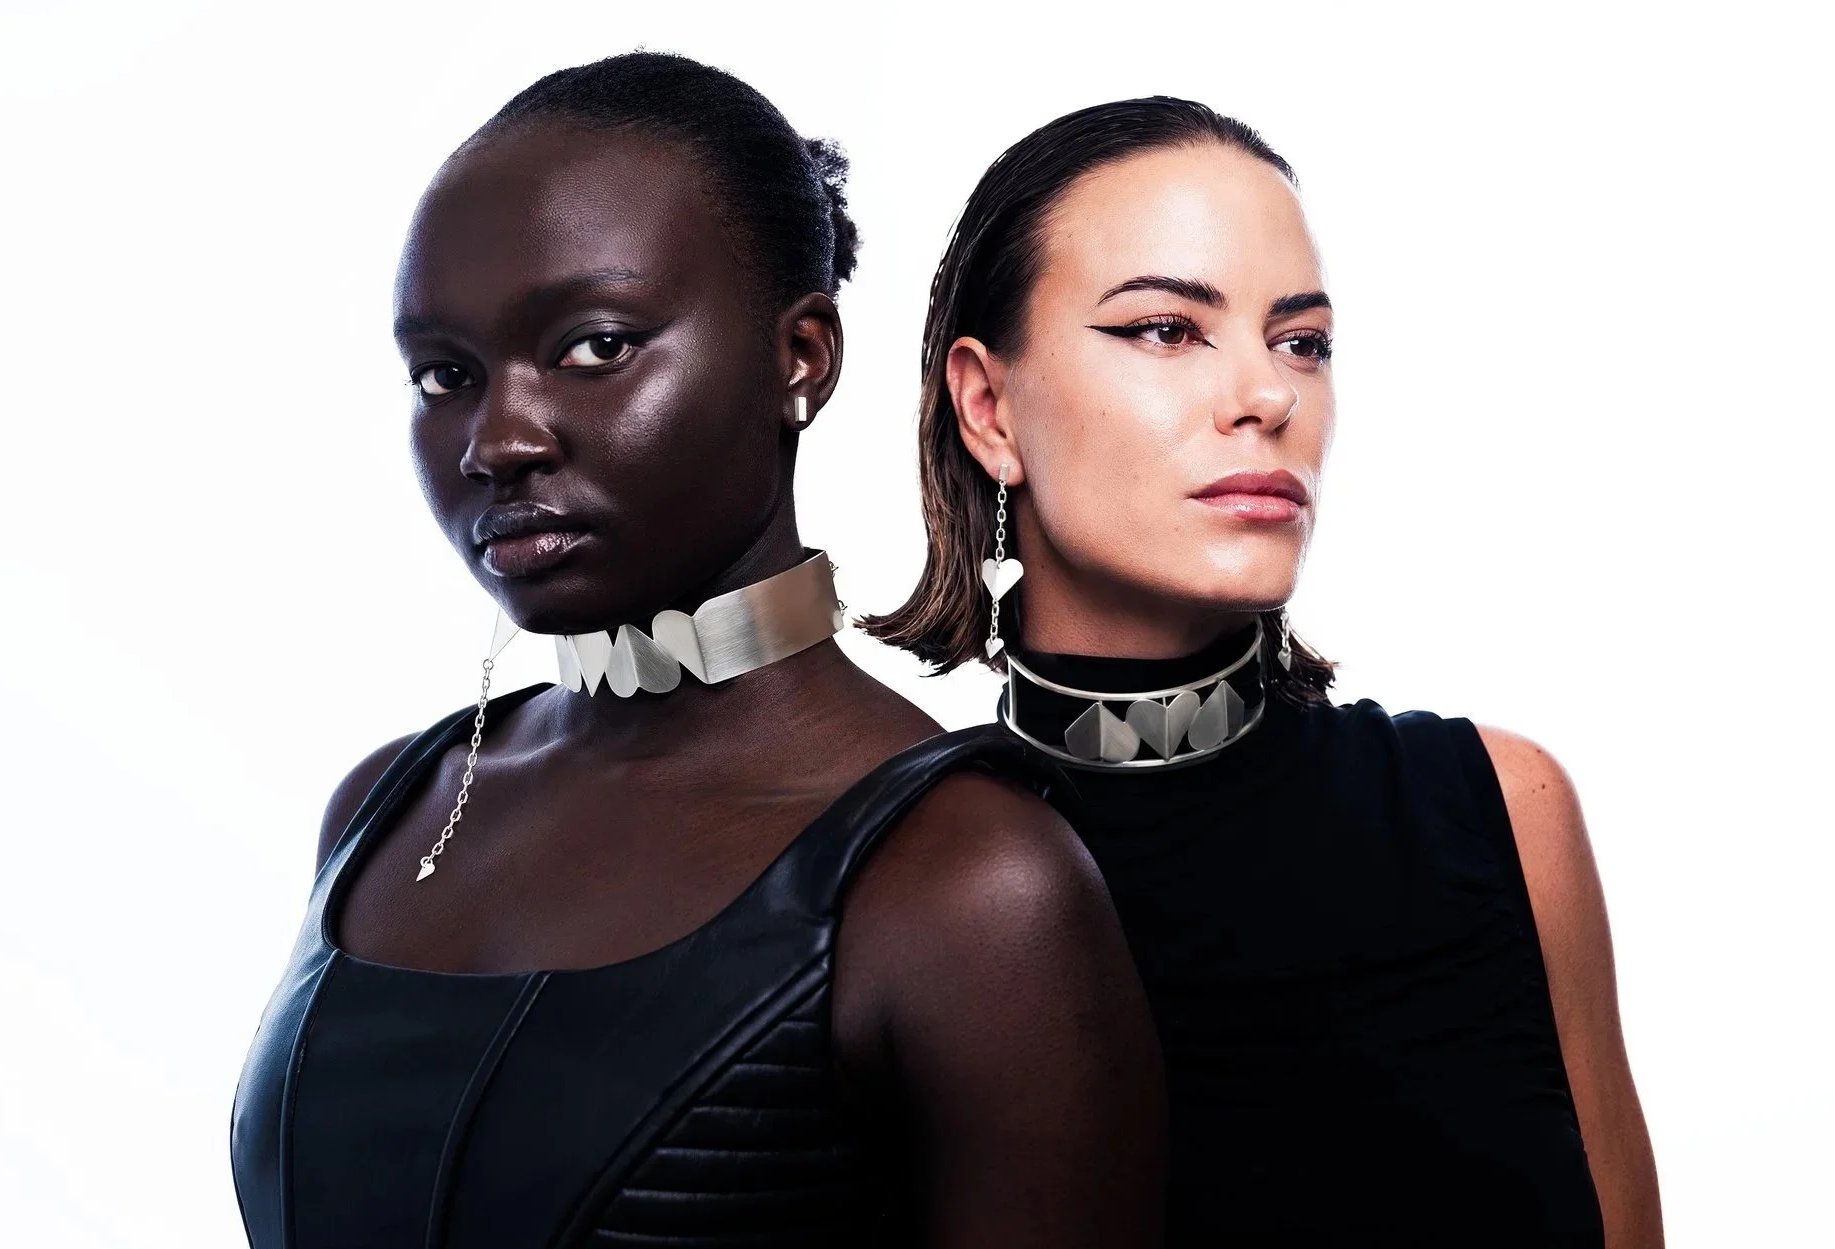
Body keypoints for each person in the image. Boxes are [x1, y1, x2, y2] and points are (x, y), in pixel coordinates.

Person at [231, 54, 1162, 1249]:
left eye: (594, 347)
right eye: (445, 374)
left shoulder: (967, 884)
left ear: (802, 356)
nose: (496, 441)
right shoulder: (390, 807)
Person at [865, 97, 1664, 1247]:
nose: (1269, 396)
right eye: (1165, 329)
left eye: (1302, 342)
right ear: (989, 409)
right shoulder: (882, 881)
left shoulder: (1503, 809)